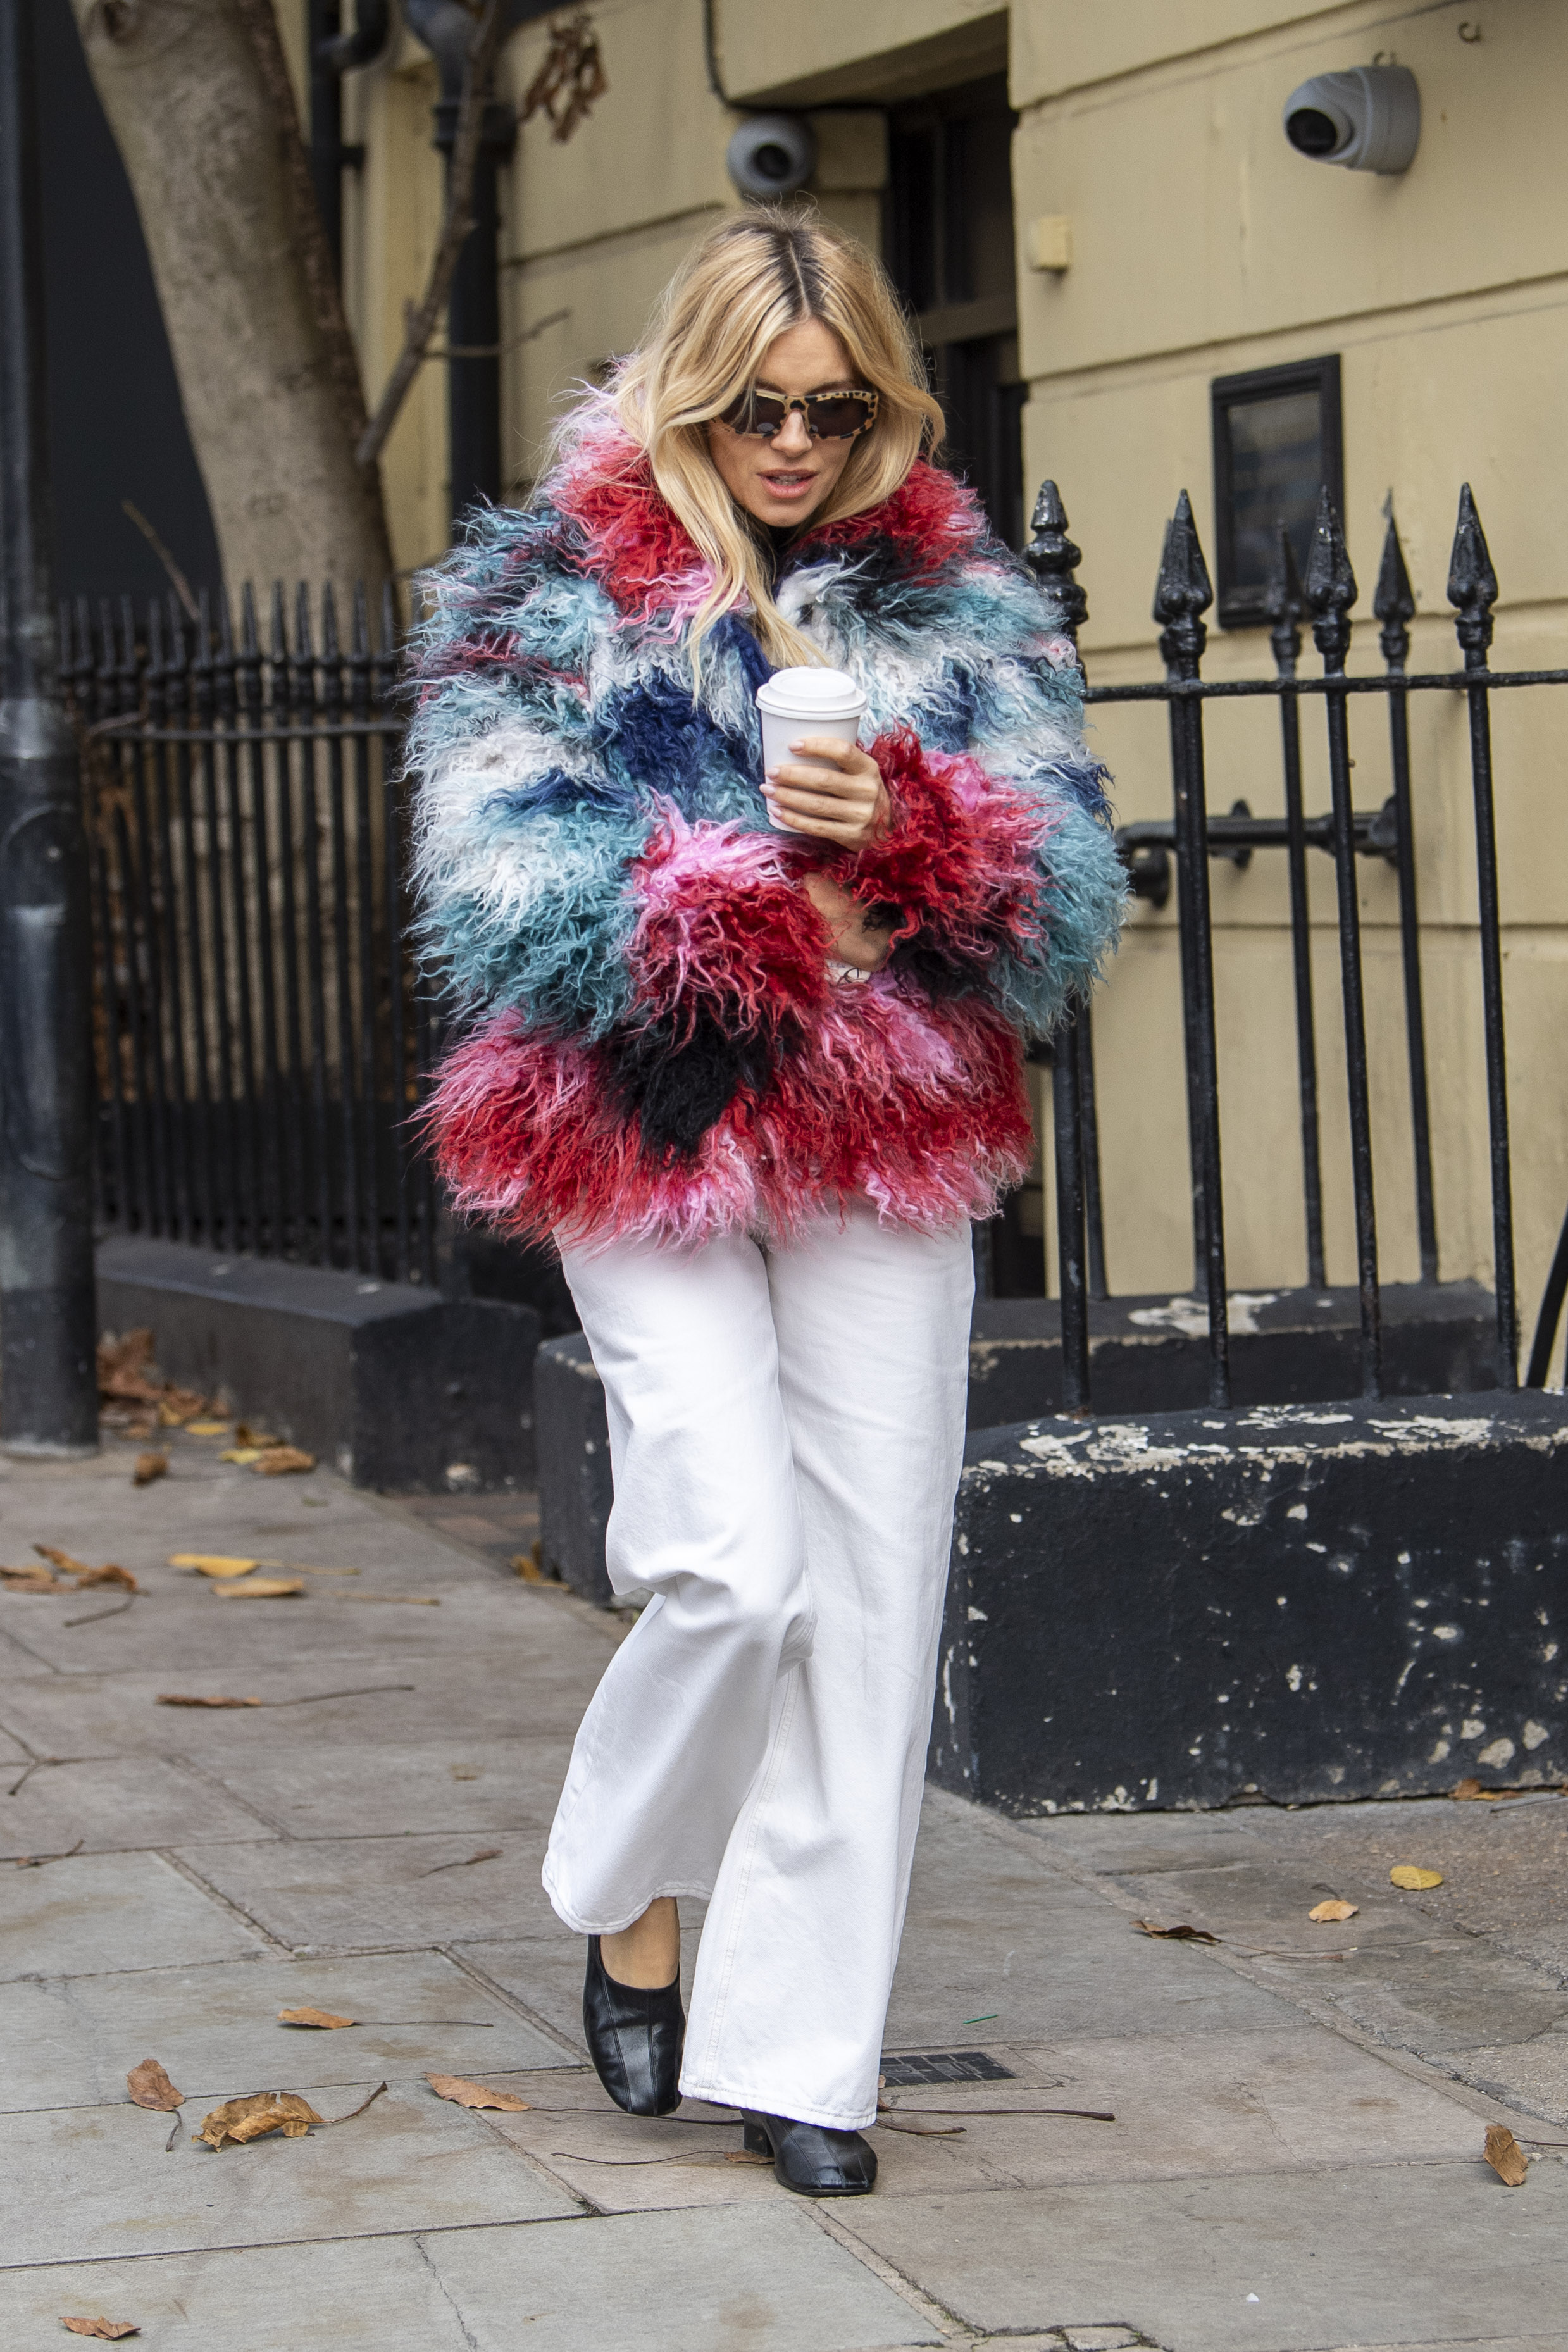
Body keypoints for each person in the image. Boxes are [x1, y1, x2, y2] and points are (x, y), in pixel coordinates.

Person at [408, 206, 1124, 2196]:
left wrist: (905, 836)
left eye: (831, 409)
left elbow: (1067, 890)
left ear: (881, 402)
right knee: (730, 1562)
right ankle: (630, 1885)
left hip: (887, 1131)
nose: (792, 448)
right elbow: (492, 881)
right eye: (748, 412)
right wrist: (756, 908)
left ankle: (806, 2057)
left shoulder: (959, 594)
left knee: (873, 1591)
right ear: (681, 396)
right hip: (643, 1119)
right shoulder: (551, 583)